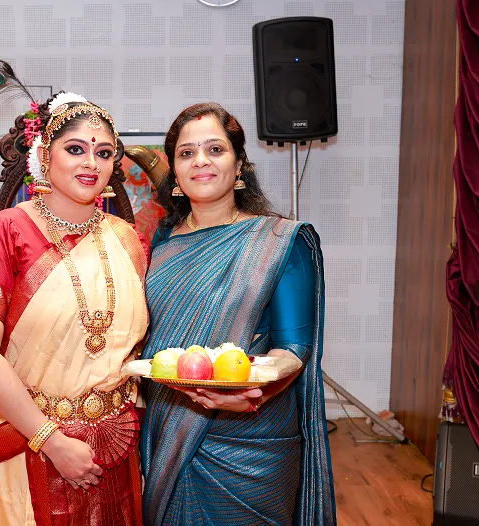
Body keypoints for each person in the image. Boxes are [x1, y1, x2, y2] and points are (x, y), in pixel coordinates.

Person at [0, 90, 149, 525]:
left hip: (115, 443)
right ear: (45, 155)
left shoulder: (128, 239)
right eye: (75, 149)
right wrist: (52, 440)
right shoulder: (1, 233)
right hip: (27, 441)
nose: (91, 163)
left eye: (104, 153)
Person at [140, 102, 336, 525]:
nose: (200, 161)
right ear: (175, 173)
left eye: (215, 149)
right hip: (169, 424)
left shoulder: (279, 241)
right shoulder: (162, 241)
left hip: (251, 441)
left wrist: (252, 395)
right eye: (187, 153)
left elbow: (294, 348)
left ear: (240, 164)